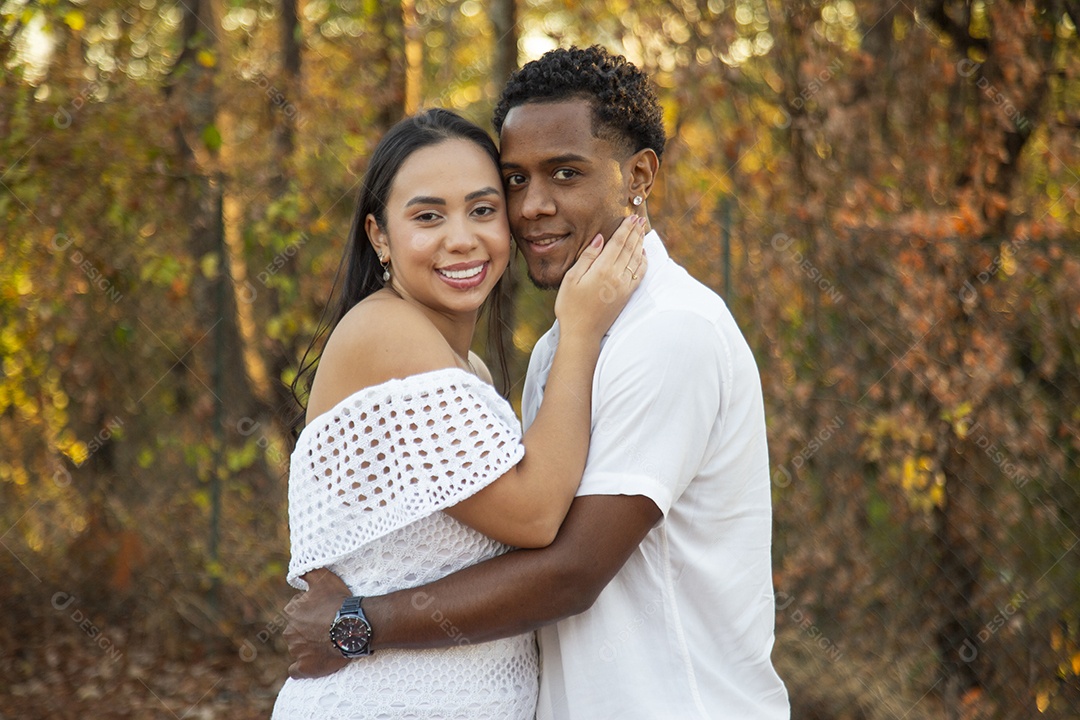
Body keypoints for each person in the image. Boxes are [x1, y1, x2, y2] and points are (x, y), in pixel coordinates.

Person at [285, 46, 790, 719]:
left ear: (639, 175)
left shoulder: (669, 331)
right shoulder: (565, 340)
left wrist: (356, 625)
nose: (532, 207)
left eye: (565, 173)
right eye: (517, 180)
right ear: (380, 236)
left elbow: (569, 568)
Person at [271, 107, 647, 719]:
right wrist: (580, 331)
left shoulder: (461, 367)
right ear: (379, 236)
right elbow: (534, 516)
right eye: (427, 216)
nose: (462, 238)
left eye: (482, 209)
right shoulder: (385, 334)